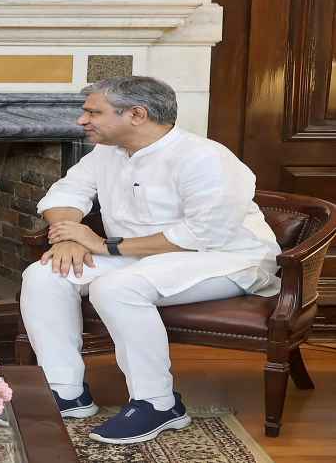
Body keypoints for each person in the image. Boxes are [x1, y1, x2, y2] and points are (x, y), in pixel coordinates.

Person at [20, 76, 281, 444]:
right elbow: (67, 190)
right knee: (45, 274)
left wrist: (104, 246)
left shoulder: (205, 157)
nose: (83, 120)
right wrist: (67, 235)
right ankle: (66, 392)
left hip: (225, 258)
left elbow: (203, 235)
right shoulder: (107, 152)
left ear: (137, 114)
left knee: (116, 288)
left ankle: (159, 404)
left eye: (94, 112)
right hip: (139, 256)